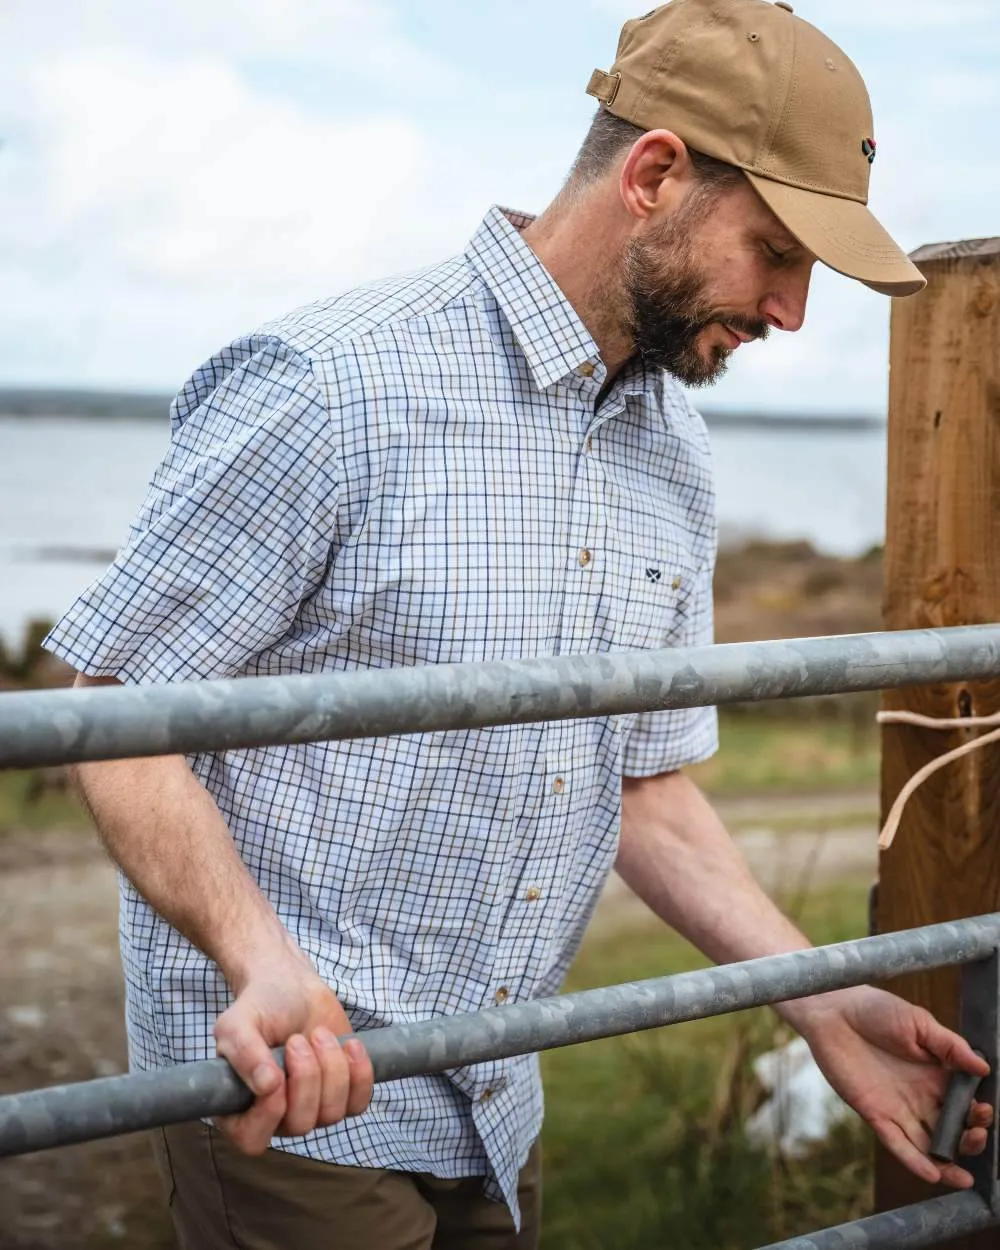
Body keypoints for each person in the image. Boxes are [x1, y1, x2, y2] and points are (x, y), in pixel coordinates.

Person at [44, 1, 991, 1247]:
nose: (790, 312)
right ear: (654, 174)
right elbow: (109, 703)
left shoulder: (674, 452)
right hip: (300, 1093)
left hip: (501, 1087)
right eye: (775, 250)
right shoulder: (333, 385)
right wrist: (255, 957)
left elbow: (642, 785)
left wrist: (815, 998)